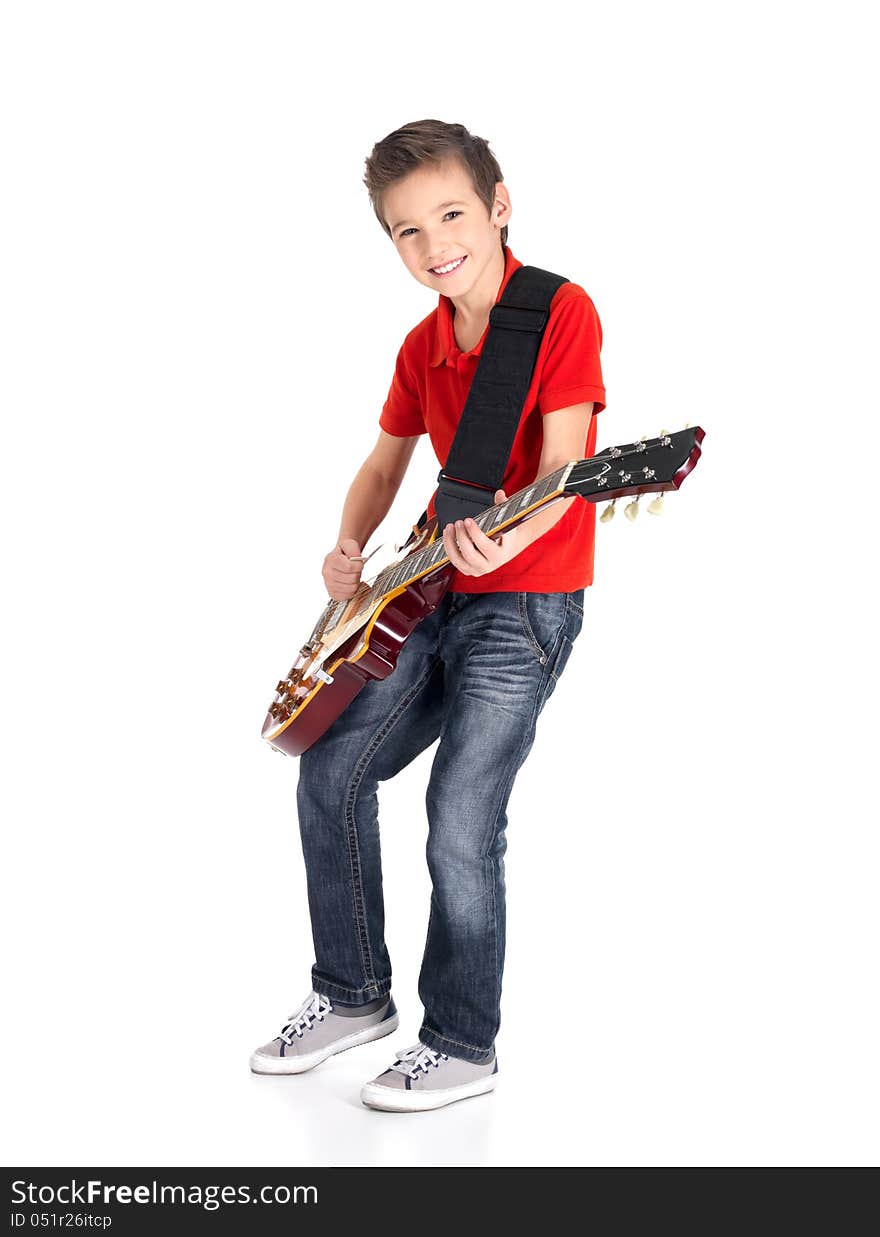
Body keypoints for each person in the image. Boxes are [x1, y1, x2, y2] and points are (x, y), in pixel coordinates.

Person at [251, 120, 607, 1112]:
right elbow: (382, 463)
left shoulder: (559, 311)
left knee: (459, 816)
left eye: (450, 214)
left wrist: (511, 545)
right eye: (406, 231)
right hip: (424, 591)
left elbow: (565, 471)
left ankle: (460, 1042)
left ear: (498, 206)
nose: (433, 243)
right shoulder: (420, 343)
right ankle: (353, 994)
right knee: (328, 772)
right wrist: (348, 547)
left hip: (524, 601)